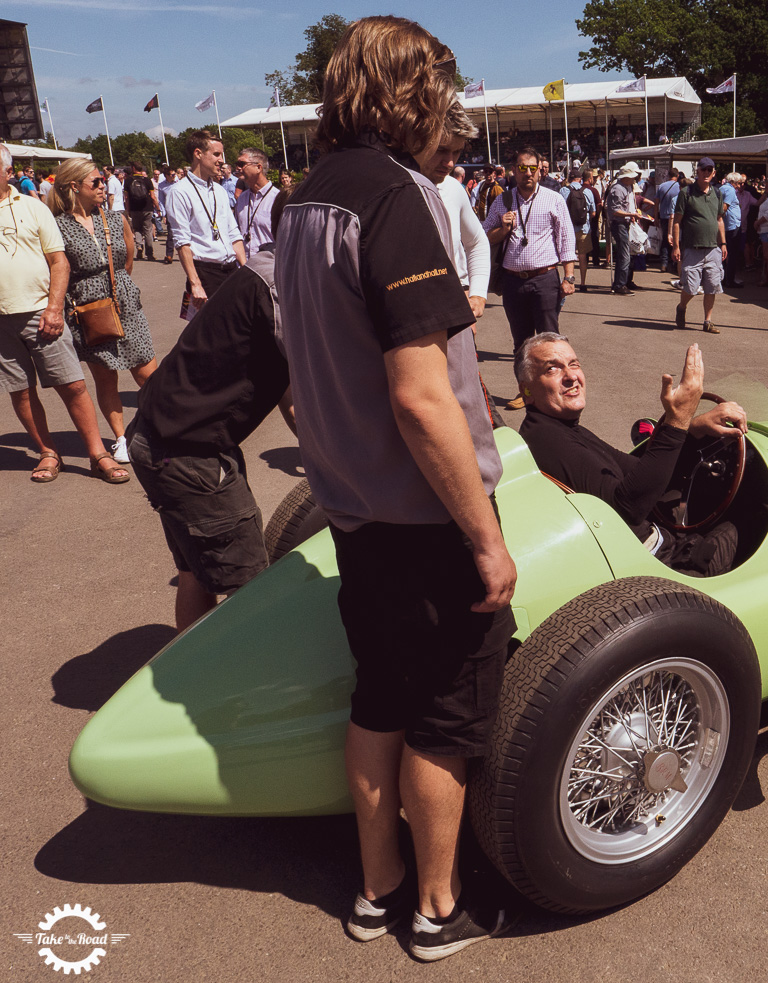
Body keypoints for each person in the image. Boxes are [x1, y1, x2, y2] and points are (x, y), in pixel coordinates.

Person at [275, 15, 515, 963]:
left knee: (378, 697)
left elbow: (301, 366)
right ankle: (436, 906)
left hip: (355, 509)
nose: (447, 114)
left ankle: (375, 890)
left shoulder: (304, 199)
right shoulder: (392, 197)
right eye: (441, 95)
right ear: (413, 92)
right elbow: (422, 399)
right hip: (422, 513)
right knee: (445, 719)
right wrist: (486, 536)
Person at [127, 189, 295, 631]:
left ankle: (187, 673)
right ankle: (241, 692)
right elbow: (313, 376)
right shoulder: (280, 283)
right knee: (254, 591)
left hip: (161, 439)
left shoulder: (262, 269)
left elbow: (289, 393)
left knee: (195, 571)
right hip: (186, 453)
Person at [517, 333, 744, 575]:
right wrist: (678, 420)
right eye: (552, 369)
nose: (571, 376)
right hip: (660, 568)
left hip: (656, 547)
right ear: (527, 390)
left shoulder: (557, 427)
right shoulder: (548, 439)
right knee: (743, 522)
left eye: (574, 364)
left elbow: (637, 469)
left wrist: (692, 427)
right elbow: (629, 507)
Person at [0, 146, 128, 483]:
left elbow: (59, 261)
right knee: (21, 391)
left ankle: (97, 453)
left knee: (72, 386)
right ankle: (47, 452)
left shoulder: (32, 208)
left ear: (8, 172)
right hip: (1, 322)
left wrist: (55, 308)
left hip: (41, 312)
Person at [51, 158, 159, 463]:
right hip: (89, 310)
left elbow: (127, 259)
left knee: (147, 372)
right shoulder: (58, 226)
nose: (103, 186)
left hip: (125, 302)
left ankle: (161, 429)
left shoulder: (114, 219)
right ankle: (122, 438)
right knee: (105, 378)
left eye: (102, 181)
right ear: (74, 187)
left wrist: (117, 289)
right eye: (95, 182)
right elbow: (60, 269)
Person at [482, 145, 576, 408]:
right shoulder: (503, 201)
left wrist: (568, 277)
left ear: (539, 170)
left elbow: (566, 239)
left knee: (549, 339)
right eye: (522, 168)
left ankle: (555, 391)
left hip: (545, 279)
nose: (528, 174)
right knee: (520, 342)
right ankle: (525, 392)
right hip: (513, 281)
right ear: (514, 170)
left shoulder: (553, 198)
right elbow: (483, 237)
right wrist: (503, 228)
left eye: (532, 168)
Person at [167, 130, 247, 319]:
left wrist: (244, 270)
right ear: (198, 154)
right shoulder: (179, 192)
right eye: (216, 154)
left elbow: (233, 233)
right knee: (211, 337)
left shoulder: (218, 190)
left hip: (231, 270)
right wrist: (195, 284)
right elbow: (182, 242)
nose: (221, 160)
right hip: (206, 274)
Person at [423, 99, 490, 318]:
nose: (450, 162)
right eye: (441, 150)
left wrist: (478, 294)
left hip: (454, 309)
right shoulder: (391, 189)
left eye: (457, 152)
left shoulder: (453, 188)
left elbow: (477, 241)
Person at [672, 157, 728, 334]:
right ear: (697, 172)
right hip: (692, 248)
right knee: (691, 287)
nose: (706, 173)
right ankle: (681, 307)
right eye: (703, 170)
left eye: (709, 170)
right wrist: (676, 246)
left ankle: (707, 321)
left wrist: (723, 243)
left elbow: (719, 219)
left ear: (714, 173)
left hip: (713, 248)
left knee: (712, 285)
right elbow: (677, 221)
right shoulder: (687, 193)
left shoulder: (717, 194)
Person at [603, 160, 645, 297]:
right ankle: (620, 284)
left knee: (624, 254)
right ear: (626, 177)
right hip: (619, 223)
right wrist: (630, 214)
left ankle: (620, 283)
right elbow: (615, 210)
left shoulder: (624, 187)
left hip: (623, 222)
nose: (634, 178)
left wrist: (630, 215)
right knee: (624, 255)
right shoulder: (618, 189)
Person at [231, 147, 279, 257]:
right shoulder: (242, 198)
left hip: (269, 267)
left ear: (258, 167)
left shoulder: (277, 199)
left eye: (241, 164)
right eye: (237, 164)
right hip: (245, 266)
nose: (238, 168)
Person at [560, 165, 596, 293]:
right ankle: (583, 283)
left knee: (568, 256)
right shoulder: (587, 191)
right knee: (582, 256)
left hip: (568, 229)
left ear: (570, 179)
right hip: (583, 229)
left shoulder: (563, 191)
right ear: (580, 179)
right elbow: (593, 212)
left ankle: (568, 280)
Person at [124, 161, 159, 261]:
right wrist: (157, 208)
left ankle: (139, 246)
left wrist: (128, 209)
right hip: (147, 208)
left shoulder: (128, 181)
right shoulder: (147, 180)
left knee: (137, 229)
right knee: (148, 230)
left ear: (134, 168)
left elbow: (126, 197)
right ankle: (150, 253)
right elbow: (152, 196)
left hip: (135, 208)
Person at [653, 168, 682, 273]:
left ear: (668, 175)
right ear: (677, 175)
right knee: (676, 240)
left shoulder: (662, 186)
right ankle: (675, 263)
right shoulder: (679, 187)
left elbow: (656, 203)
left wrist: (656, 217)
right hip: (677, 217)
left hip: (664, 217)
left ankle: (664, 264)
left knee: (665, 241)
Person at [718, 173, 742, 288]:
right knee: (731, 254)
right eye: (738, 183)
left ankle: (723, 278)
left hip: (727, 225)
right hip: (732, 225)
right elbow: (724, 207)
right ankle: (729, 280)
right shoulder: (730, 190)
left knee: (724, 253)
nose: (739, 186)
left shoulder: (721, 188)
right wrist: (719, 219)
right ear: (733, 182)